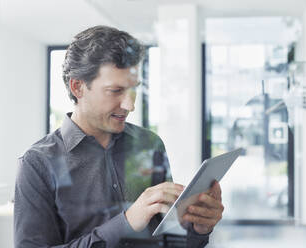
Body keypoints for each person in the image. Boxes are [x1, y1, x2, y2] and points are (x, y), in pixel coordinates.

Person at [14, 25, 224, 248]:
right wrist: (126, 223)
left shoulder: (150, 145)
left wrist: (198, 229)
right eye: (116, 91)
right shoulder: (37, 164)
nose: (130, 105)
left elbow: (169, 240)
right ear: (78, 87)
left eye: (133, 89)